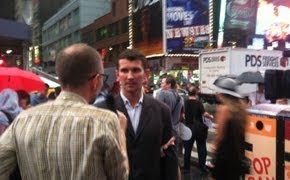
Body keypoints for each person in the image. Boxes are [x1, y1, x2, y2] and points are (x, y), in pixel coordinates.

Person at [0, 43, 128, 179]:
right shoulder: (105, 121)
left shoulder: (23, 120)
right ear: (95, 80)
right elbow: (120, 176)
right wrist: (120, 132)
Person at [96, 49, 178, 180]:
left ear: (146, 74)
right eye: (124, 71)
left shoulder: (162, 111)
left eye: (135, 70)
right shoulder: (102, 111)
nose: (130, 76)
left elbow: (170, 161)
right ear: (117, 75)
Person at [211, 76, 248, 179]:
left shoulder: (223, 109)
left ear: (223, 94)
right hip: (237, 153)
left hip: (224, 154)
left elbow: (220, 135)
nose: (217, 94)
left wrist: (214, 147)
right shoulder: (241, 110)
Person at [183, 86, 212, 174]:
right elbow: (204, 114)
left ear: (188, 93)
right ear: (196, 94)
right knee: (201, 147)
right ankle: (202, 167)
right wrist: (210, 116)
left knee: (187, 148)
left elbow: (182, 115)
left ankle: (186, 168)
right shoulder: (198, 103)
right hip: (199, 129)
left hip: (188, 128)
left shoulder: (185, 102)